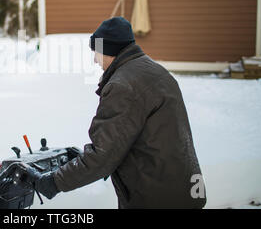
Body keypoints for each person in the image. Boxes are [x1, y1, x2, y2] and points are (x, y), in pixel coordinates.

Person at [28, 17, 207, 209]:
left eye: (96, 52)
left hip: (156, 197)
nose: (95, 60)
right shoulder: (154, 71)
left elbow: (102, 155)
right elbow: (134, 138)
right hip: (182, 188)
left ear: (109, 50)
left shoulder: (123, 86)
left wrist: (54, 182)